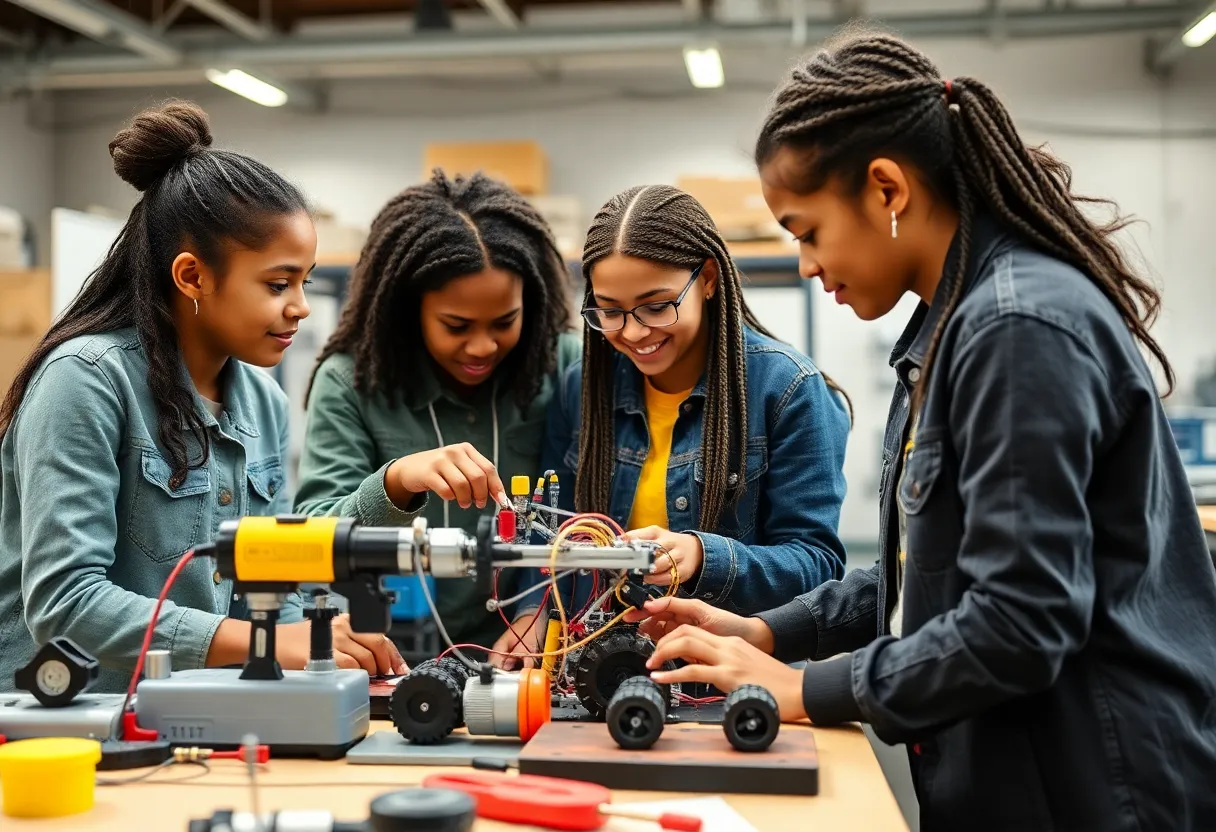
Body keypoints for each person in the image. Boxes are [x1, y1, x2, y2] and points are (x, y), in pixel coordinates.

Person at [629, 32, 1216, 830]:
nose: (803, 263)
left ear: (886, 189)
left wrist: (808, 689)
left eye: (807, 231)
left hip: (1088, 788)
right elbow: (929, 573)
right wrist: (767, 629)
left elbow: (1018, 620)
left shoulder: (1017, 327)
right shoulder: (952, 332)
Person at [0, 101, 405, 695]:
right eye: (276, 283)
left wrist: (321, 650)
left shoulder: (262, 403)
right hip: (63, 723)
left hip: (186, 712)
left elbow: (269, 575)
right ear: (192, 277)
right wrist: (269, 644)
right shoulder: (84, 382)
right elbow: (66, 603)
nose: (298, 305)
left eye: (304, 281)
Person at [295, 170, 579, 669]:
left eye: (504, 322)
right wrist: (397, 482)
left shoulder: (563, 367)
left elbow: (588, 517)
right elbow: (312, 543)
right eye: (456, 326)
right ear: (409, 310)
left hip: (528, 660)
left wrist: (541, 610)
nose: (482, 347)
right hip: (390, 665)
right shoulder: (351, 381)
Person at [537, 184, 850, 618]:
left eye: (656, 306)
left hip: (727, 675)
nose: (632, 333)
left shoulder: (787, 389)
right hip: (601, 665)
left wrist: (704, 557)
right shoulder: (582, 391)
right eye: (609, 311)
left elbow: (817, 567)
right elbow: (549, 539)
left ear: (706, 280)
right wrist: (528, 618)